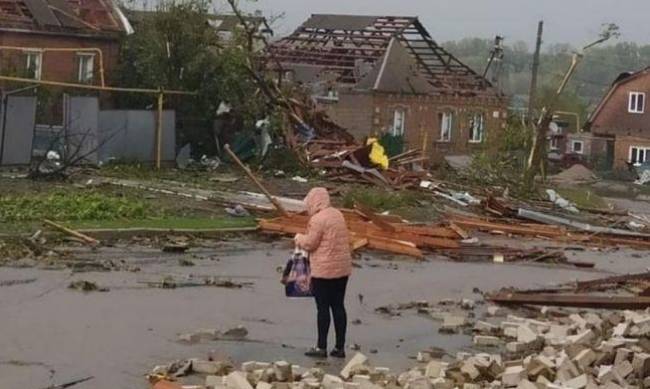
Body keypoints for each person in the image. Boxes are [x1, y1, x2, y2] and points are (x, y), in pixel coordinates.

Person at [295, 187, 352, 358]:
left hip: (323, 271)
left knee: (322, 308)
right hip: (342, 269)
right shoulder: (337, 214)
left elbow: (311, 243)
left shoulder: (317, 220)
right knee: (338, 306)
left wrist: (298, 238)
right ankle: (340, 347)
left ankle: (321, 347)